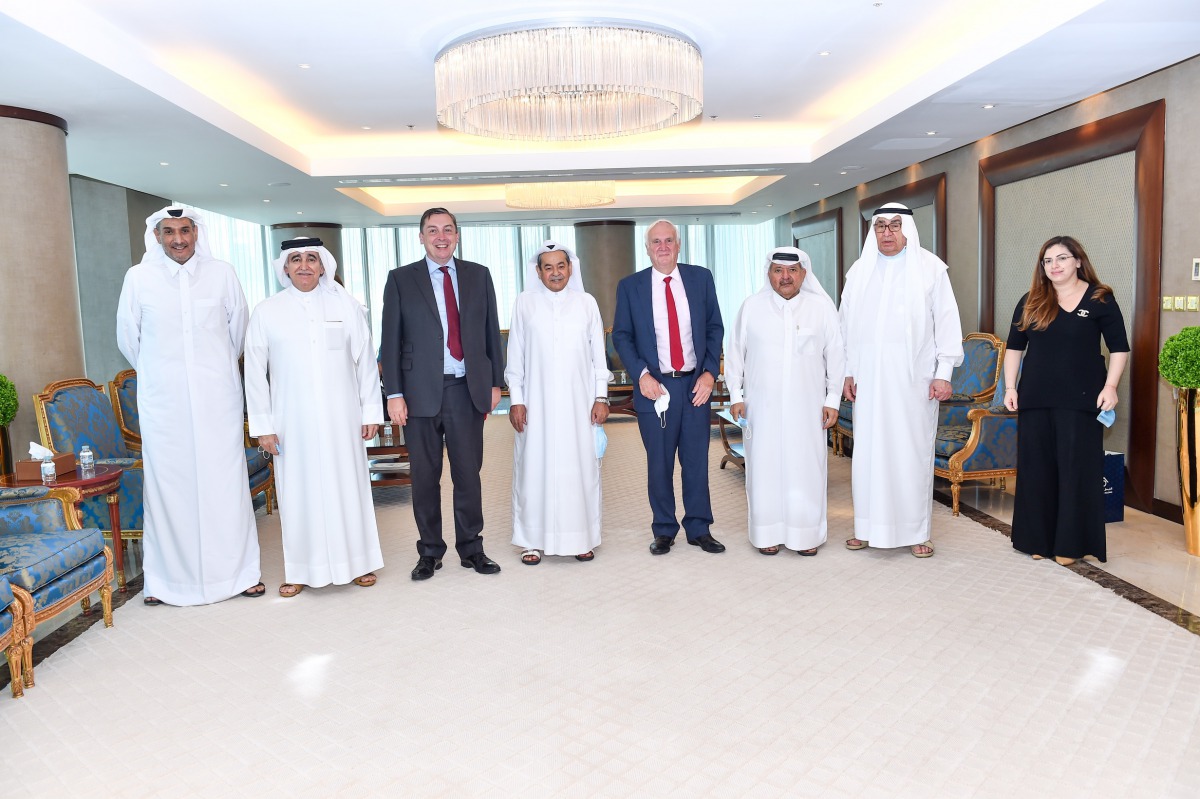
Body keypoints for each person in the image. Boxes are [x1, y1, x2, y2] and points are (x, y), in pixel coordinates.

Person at [115, 205, 263, 605]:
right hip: (164, 404)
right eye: (169, 232)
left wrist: (209, 373)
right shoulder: (139, 278)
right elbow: (130, 341)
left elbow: (238, 334)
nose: (178, 239)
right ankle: (166, 583)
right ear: (157, 236)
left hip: (217, 399)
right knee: (168, 486)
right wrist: (166, 376)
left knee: (225, 482)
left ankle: (240, 574)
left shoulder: (223, 274)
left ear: (197, 233)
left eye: (184, 230)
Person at [244, 238, 385, 597]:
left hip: (343, 417)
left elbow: (365, 362)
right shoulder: (267, 311)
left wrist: (370, 410)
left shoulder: (346, 306)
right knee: (297, 493)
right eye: (295, 260)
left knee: (347, 487)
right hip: (292, 421)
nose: (304, 266)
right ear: (285, 267)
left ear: (323, 265)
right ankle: (301, 570)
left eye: (311, 259)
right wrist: (263, 426)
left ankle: (358, 563)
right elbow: (255, 373)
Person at [380, 207, 505, 580]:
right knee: (425, 476)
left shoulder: (478, 276)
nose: (441, 236)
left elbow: (490, 332)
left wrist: (495, 381)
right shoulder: (401, 279)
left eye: (448, 229)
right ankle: (430, 552)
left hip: (467, 390)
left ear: (457, 235)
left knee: (469, 474)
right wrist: (394, 393)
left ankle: (472, 548)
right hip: (418, 394)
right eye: (432, 230)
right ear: (421, 237)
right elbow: (390, 340)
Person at [839, 202, 964, 558]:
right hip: (867, 380)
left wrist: (944, 374)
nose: (887, 233)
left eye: (895, 225)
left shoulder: (931, 269)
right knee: (868, 454)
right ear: (873, 231)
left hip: (915, 381)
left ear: (907, 228)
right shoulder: (859, 271)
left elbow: (947, 323)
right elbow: (844, 326)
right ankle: (866, 527)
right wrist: (847, 370)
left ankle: (917, 531)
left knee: (911, 452)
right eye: (880, 226)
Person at [1002, 236, 1128, 565]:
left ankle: (1071, 545)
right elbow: (1014, 347)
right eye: (1048, 260)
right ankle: (1037, 540)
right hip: (1036, 398)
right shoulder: (1031, 300)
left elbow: (1119, 348)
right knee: (1037, 470)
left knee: (1076, 471)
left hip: (1083, 399)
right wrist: (1010, 388)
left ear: (1077, 261)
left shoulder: (1100, 298)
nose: (1054, 265)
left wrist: (1111, 386)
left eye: (1061, 258)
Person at [612, 219, 725, 555]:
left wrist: (709, 373)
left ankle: (699, 527)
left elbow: (714, 327)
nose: (662, 247)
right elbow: (622, 335)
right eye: (655, 242)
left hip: (695, 386)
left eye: (669, 241)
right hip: (655, 388)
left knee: (696, 461)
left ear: (678, 245)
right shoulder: (630, 286)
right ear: (647, 248)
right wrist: (641, 375)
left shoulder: (700, 278)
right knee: (659, 462)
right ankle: (663, 529)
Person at [725, 247, 845, 556]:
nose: (785, 277)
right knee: (764, 467)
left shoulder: (821, 308)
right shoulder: (751, 307)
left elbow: (836, 356)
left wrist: (832, 400)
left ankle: (806, 536)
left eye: (792, 271)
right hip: (761, 407)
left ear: (804, 273)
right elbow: (736, 353)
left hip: (808, 408)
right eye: (778, 270)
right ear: (769, 273)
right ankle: (767, 534)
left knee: (806, 468)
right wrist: (736, 395)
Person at [506, 241, 611, 565]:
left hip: (578, 407)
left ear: (570, 268)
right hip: (535, 407)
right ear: (538, 272)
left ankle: (581, 538)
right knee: (533, 471)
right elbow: (516, 357)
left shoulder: (586, 303)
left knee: (578, 470)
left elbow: (598, 358)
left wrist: (601, 396)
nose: (555, 273)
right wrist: (517, 401)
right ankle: (531, 541)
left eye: (560, 266)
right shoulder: (524, 304)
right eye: (548, 267)